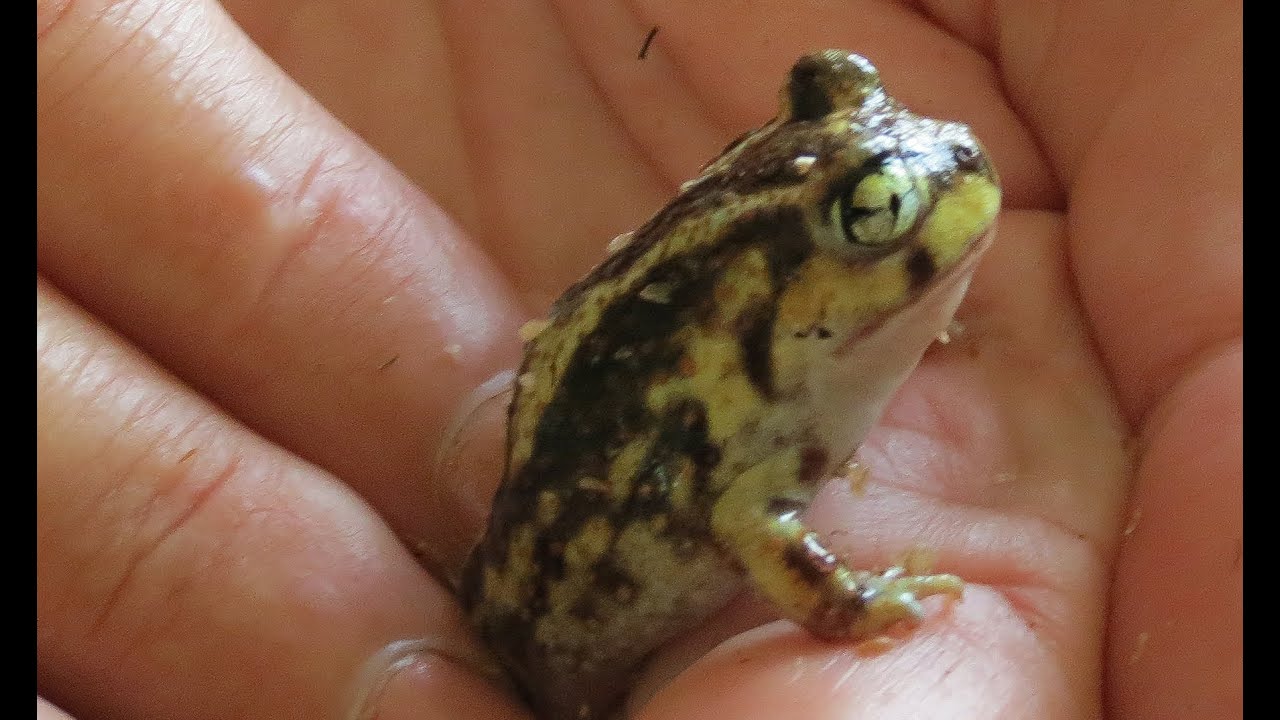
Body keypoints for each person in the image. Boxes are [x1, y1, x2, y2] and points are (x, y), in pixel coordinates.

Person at [36, 1, 1241, 718]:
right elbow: (754, 518)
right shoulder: (740, 384)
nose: (951, 162)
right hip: (556, 625)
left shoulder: (782, 334)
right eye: (874, 210)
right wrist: (855, 609)